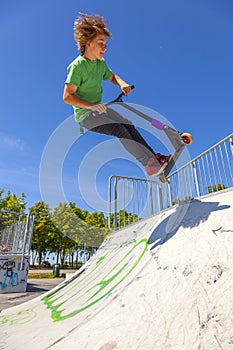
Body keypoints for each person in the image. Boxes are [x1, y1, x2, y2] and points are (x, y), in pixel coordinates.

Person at [63, 13, 170, 177]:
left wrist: (122, 83)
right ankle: (148, 164)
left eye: (105, 44)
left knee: (128, 124)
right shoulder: (77, 66)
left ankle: (153, 160)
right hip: (86, 115)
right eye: (101, 43)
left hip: (100, 109)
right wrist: (91, 106)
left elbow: (112, 77)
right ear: (88, 43)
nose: (104, 48)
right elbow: (68, 97)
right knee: (119, 129)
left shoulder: (101, 64)